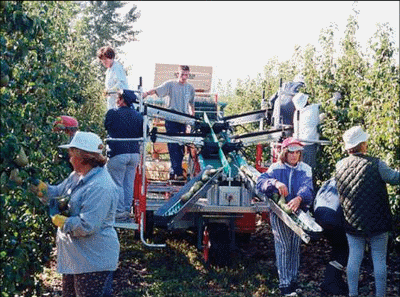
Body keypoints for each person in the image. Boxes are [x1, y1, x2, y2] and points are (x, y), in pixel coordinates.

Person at [32, 131, 120, 297]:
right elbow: (57, 193)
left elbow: (87, 226)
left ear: (82, 157)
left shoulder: (100, 186)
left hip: (93, 262)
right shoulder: (77, 176)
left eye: (71, 154)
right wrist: (37, 187)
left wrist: (61, 221)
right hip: (76, 260)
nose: (69, 158)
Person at [335, 126, 400, 297]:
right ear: (362, 144)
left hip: (353, 222)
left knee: (354, 258)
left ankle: (353, 294)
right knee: (379, 260)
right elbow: (395, 179)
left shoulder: (339, 165)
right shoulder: (376, 164)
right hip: (378, 222)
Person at [257, 137, 314, 296]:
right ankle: (284, 285)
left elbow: (307, 187)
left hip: (298, 213)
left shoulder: (305, 169)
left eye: (297, 152)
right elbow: (260, 183)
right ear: (284, 153)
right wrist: (275, 183)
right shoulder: (276, 168)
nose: (294, 155)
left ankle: (293, 281)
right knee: (283, 246)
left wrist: (299, 198)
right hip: (279, 212)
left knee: (295, 247)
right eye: (291, 152)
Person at [142, 65, 195, 180]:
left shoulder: (190, 88)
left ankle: (176, 170)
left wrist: (192, 120)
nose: (184, 77)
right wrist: (145, 93)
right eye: (182, 74)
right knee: (172, 145)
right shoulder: (171, 85)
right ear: (178, 74)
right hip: (171, 119)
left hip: (183, 119)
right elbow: (157, 90)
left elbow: (191, 105)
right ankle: (177, 172)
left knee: (181, 146)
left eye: (186, 75)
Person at [105, 90, 143, 221]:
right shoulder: (139, 116)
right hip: (134, 153)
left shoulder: (112, 113)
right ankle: (127, 210)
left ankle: (119, 212)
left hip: (118, 151)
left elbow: (107, 126)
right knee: (128, 183)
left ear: (121, 100)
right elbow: (143, 132)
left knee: (117, 183)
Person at [97, 46, 129, 110]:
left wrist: (109, 91)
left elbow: (121, 84)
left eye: (105, 59)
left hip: (119, 104)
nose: (104, 62)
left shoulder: (117, 67)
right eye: (102, 60)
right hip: (112, 103)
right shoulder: (109, 70)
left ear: (111, 57)